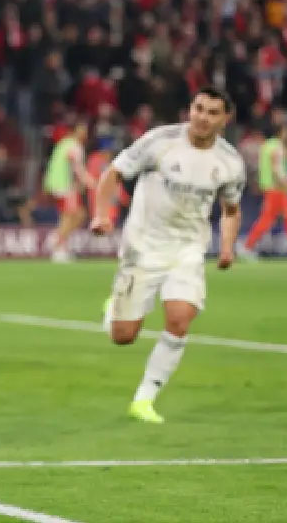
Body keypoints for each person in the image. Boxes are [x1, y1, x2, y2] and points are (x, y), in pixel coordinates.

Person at [91, 88, 246, 424]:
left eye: (212, 112)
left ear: (225, 119)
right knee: (123, 336)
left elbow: (231, 209)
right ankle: (113, 309)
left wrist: (227, 246)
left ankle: (144, 400)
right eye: (198, 108)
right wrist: (102, 214)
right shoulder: (159, 142)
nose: (202, 117)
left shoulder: (230, 162)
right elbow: (113, 174)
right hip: (144, 246)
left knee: (179, 318)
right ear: (189, 109)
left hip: (188, 250)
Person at [240, 123, 287, 259]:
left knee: (285, 218)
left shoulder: (266, 146)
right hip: (277, 189)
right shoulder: (277, 146)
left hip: (270, 187)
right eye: (286, 131)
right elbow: (276, 168)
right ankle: (247, 247)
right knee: (273, 219)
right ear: (281, 132)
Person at [42, 122, 94, 262]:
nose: (85, 133)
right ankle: (59, 247)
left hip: (56, 182)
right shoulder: (75, 147)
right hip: (63, 185)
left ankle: (58, 238)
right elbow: (77, 168)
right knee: (71, 215)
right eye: (82, 130)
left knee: (75, 215)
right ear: (75, 131)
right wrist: (90, 182)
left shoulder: (64, 143)